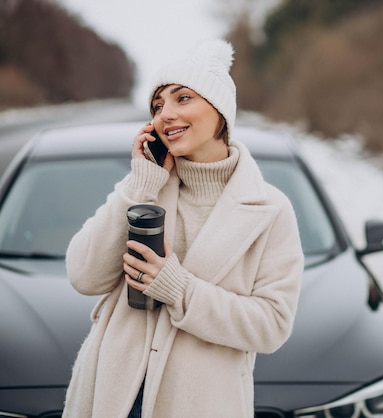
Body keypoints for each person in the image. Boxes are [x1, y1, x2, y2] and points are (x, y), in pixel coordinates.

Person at [62, 39, 303, 417]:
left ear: (221, 109)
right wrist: (141, 184)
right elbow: (83, 274)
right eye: (157, 106)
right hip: (110, 398)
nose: (166, 114)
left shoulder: (270, 210)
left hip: (201, 404)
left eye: (183, 98)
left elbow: (271, 325)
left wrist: (178, 289)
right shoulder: (147, 188)